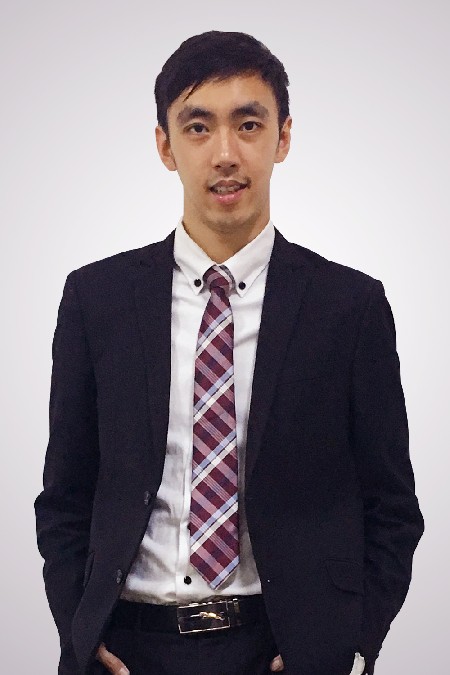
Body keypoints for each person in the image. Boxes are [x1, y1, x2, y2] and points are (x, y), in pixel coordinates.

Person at [35, 30, 424, 675]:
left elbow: (391, 505)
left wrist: (348, 644)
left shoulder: (348, 307)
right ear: (165, 146)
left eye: (248, 125)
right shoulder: (96, 299)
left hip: (283, 648)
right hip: (128, 648)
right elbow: (66, 495)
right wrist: (80, 633)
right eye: (198, 127)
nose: (225, 154)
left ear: (283, 137)